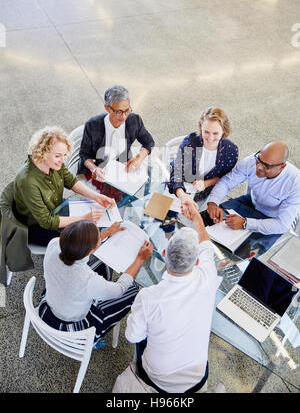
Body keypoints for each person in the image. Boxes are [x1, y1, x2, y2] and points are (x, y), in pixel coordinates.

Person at [125, 200, 221, 393]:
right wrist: (195, 216)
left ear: (163, 253)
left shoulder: (148, 296)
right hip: (197, 381)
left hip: (155, 379)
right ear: (197, 262)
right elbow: (206, 244)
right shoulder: (208, 277)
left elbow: (132, 336)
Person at [39, 220, 153, 347]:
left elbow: (76, 247)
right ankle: (92, 341)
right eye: (98, 237)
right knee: (132, 289)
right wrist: (140, 258)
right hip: (71, 323)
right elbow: (119, 289)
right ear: (90, 250)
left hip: (50, 303)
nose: (100, 236)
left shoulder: (54, 244)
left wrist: (107, 233)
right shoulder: (88, 280)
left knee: (101, 265)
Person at [13, 126, 116, 246]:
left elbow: (70, 181)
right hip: (36, 225)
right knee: (85, 239)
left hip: (56, 206)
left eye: (65, 155)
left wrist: (97, 197)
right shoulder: (28, 182)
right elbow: (46, 221)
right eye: (57, 156)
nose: (63, 160)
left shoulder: (54, 163)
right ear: (42, 153)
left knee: (94, 226)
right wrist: (83, 218)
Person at [206, 141, 300, 236]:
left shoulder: (296, 183)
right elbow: (226, 182)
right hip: (251, 201)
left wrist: (245, 223)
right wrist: (213, 202)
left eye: (266, 166)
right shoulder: (251, 160)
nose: (258, 167)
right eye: (258, 160)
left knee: (241, 249)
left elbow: (282, 225)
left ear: (282, 167)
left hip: (273, 218)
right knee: (206, 223)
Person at [78, 85, 155, 200]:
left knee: (124, 200)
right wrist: (94, 168)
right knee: (102, 202)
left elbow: (149, 142)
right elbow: (84, 155)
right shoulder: (92, 125)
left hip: (123, 168)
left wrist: (139, 159)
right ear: (107, 108)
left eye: (127, 110)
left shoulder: (134, 120)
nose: (124, 116)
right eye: (118, 111)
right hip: (98, 168)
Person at [168, 107, 238, 209]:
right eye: (206, 132)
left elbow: (225, 177)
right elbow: (177, 172)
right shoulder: (190, 143)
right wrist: (183, 196)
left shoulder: (231, 151)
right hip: (176, 185)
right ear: (201, 127)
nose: (210, 138)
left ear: (224, 130)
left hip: (202, 192)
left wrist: (206, 183)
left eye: (215, 133)